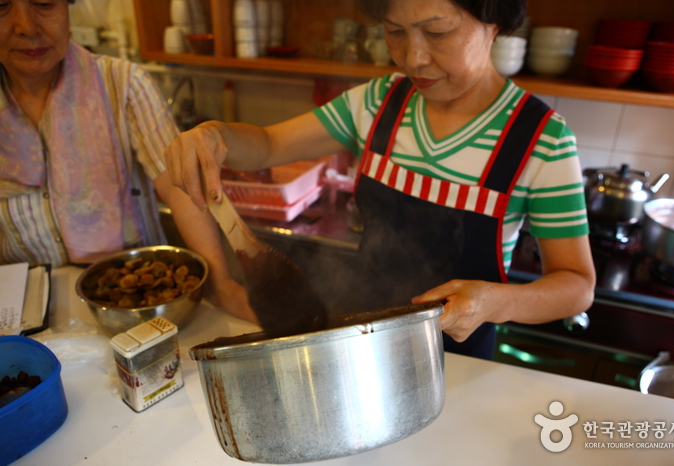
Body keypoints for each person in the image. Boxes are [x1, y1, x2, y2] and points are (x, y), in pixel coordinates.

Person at [164, 0, 596, 358]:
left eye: (438, 32)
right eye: (395, 32)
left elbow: (576, 286)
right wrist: (214, 135)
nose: (413, 57)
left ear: (493, 23)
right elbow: (268, 144)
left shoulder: (542, 140)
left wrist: (496, 301)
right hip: (361, 346)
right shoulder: (378, 102)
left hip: (457, 362)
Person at [0, 0, 256, 323]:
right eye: (2, 6)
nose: (25, 26)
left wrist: (221, 284)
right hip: (20, 316)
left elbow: (181, 187)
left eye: (44, 3)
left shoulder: (122, 84)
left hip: (139, 308)